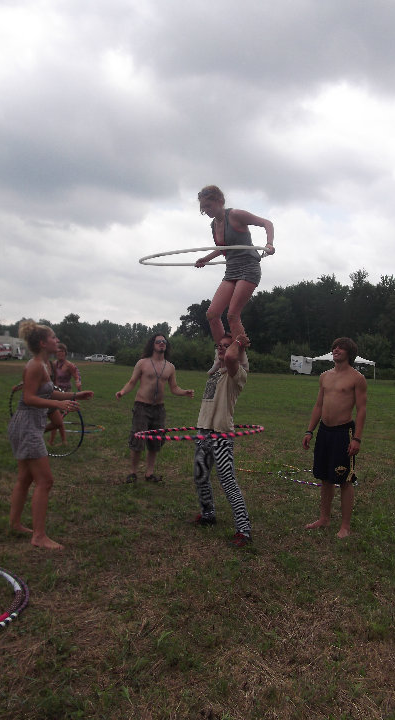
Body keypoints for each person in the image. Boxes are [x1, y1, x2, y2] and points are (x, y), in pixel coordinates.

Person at [8, 321, 94, 549]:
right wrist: (60, 403)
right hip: (27, 426)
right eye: (54, 337)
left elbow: (47, 391)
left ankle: (15, 524)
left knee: (25, 479)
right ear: (43, 343)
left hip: (27, 425)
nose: (57, 340)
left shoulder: (44, 364)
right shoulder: (36, 365)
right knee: (45, 481)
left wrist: (75, 396)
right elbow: (28, 398)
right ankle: (38, 536)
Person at [195, 185, 274, 371]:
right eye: (203, 208)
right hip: (231, 270)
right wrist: (205, 259)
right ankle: (221, 355)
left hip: (249, 267)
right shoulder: (213, 224)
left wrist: (269, 243)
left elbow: (266, 223)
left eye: (208, 206)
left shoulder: (236, 215)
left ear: (220, 201)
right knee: (212, 314)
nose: (206, 211)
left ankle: (241, 358)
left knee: (232, 314)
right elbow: (225, 248)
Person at [302, 337, 367, 538]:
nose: (336, 349)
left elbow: (362, 410)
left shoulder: (357, 378)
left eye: (341, 348)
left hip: (343, 433)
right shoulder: (324, 376)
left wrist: (356, 439)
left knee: (345, 480)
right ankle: (324, 518)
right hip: (324, 431)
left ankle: (345, 526)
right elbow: (318, 406)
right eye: (334, 347)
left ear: (350, 353)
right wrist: (309, 430)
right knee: (325, 477)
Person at [192, 332, 252, 547]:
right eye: (218, 345)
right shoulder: (216, 372)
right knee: (200, 476)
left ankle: (243, 530)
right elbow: (220, 352)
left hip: (221, 433)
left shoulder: (237, 374)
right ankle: (208, 514)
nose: (221, 348)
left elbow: (230, 358)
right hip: (203, 430)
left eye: (226, 346)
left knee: (227, 480)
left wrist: (237, 341)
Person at [116, 334, 194, 483]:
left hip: (159, 409)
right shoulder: (142, 363)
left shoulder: (170, 367)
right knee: (138, 440)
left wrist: (184, 392)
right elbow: (132, 382)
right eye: (158, 341)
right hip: (142, 406)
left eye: (164, 341)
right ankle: (133, 472)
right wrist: (122, 392)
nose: (161, 343)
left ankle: (149, 473)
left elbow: (174, 388)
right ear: (153, 344)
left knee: (155, 443)